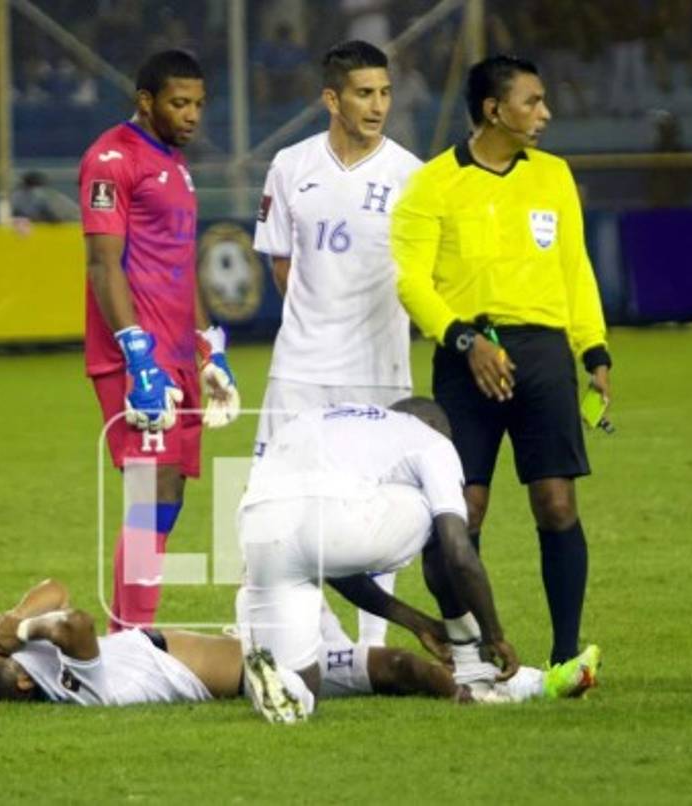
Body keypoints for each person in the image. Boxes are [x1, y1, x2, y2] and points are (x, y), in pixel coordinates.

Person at [391, 56, 611, 670]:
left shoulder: (554, 177)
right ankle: (470, 648)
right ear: (493, 110)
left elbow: (575, 268)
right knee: (463, 509)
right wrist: (466, 341)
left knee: (557, 502)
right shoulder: (433, 185)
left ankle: (566, 658)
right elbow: (411, 283)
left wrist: (592, 349)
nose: (545, 114)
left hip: (543, 355)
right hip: (466, 353)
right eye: (532, 102)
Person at [236, 399, 600, 723]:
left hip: (258, 523)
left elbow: (326, 557)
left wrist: (416, 622)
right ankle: (475, 671)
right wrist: (494, 635)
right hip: (335, 523)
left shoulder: (331, 419)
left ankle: (286, 686)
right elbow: (458, 553)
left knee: (304, 692)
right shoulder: (431, 439)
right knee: (444, 517)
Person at [251, 40, 421, 648]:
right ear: (332, 98)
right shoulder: (291, 166)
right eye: (364, 93)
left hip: (381, 369)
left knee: (379, 507)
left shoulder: (411, 176)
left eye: (385, 92)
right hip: (300, 368)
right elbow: (282, 268)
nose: (378, 105)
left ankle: (373, 645)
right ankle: (318, 640)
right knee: (279, 504)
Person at [78, 49, 240, 633]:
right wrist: (136, 357)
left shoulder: (175, 164)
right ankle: (130, 638)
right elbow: (103, 264)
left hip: (176, 357)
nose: (192, 114)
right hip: (135, 360)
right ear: (146, 102)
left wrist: (210, 347)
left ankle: (131, 626)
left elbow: (181, 263)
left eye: (198, 103)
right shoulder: (111, 159)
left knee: (168, 491)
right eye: (179, 103)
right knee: (149, 491)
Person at [0, 579, 594, 709]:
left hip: (266, 648)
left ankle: (534, 684)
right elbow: (71, 618)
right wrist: (22, 630)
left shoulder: (39, 665)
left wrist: (13, 613)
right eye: (7, 657)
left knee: (402, 667)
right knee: (282, 565)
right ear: (22, 678)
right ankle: (285, 699)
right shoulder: (69, 680)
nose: (10, 646)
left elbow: (52, 587)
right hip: (263, 660)